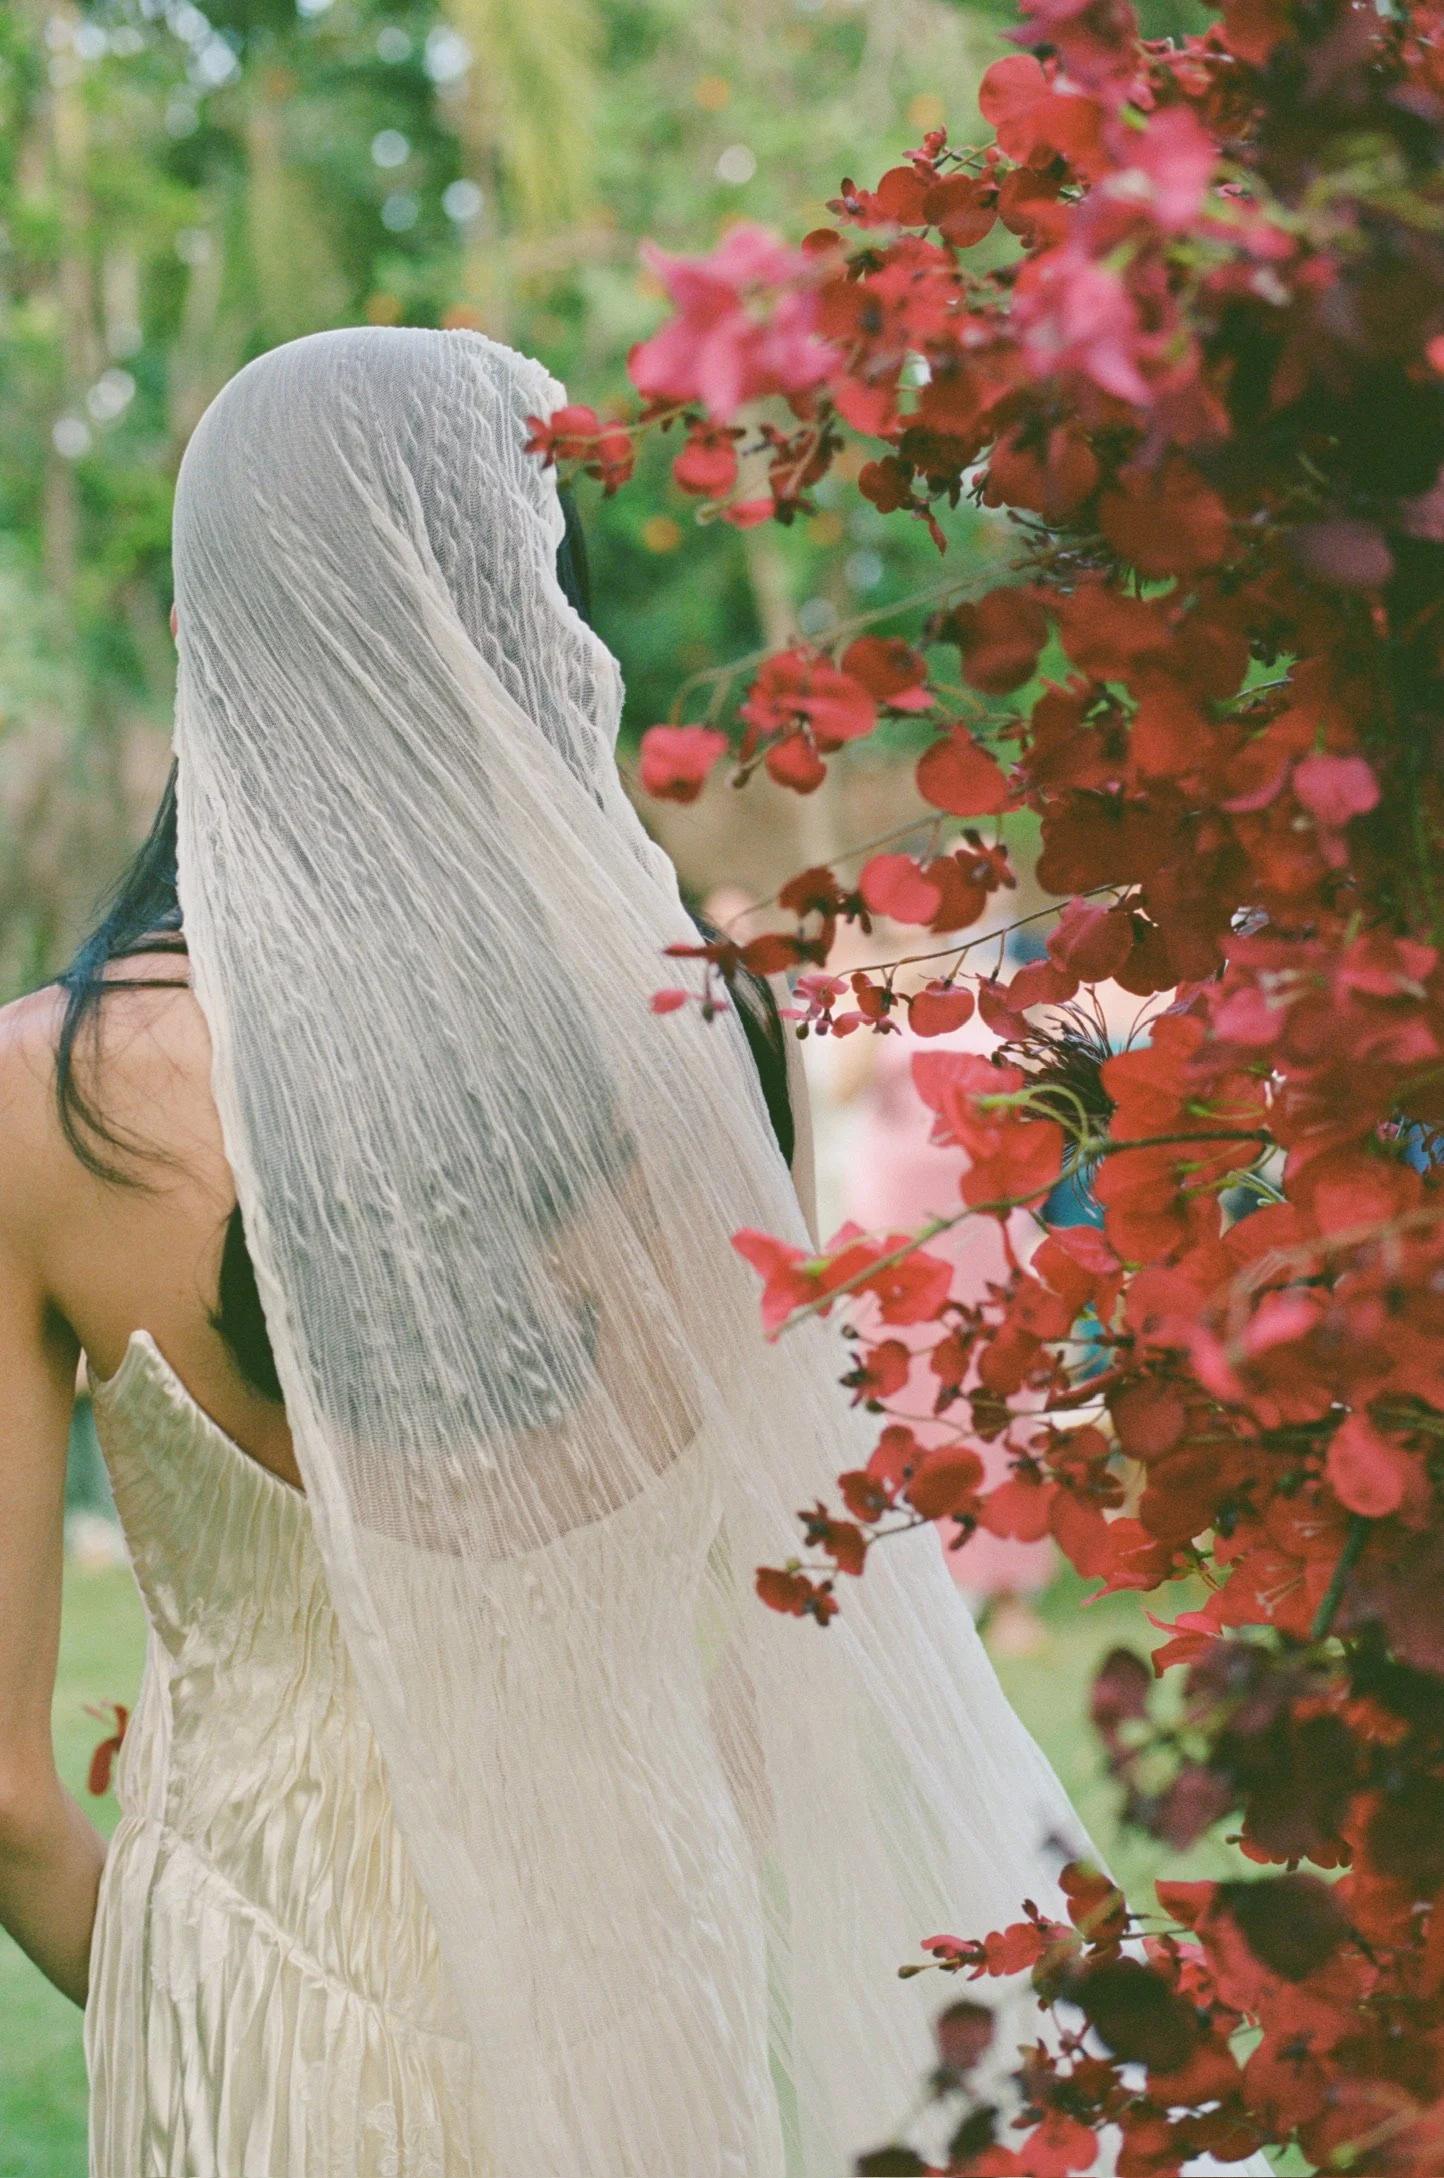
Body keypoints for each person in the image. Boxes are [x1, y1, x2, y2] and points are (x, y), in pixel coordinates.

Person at [0, 328, 1103, 2178]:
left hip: (242, 2014)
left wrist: (208, 2004)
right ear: (538, 630)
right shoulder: (702, 1042)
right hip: (645, 1976)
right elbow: (785, 1629)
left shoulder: (54, 1101)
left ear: (210, 645)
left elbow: (7, 1802)